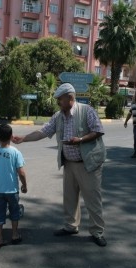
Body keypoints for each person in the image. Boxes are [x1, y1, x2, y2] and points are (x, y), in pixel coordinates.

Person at [12, 83, 107, 247]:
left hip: (88, 163)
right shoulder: (59, 116)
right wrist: (23, 138)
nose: (58, 103)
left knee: (92, 199)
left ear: (70, 98)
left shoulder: (86, 110)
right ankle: (71, 226)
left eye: (60, 100)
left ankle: (97, 231)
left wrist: (81, 140)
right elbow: (43, 131)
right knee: (69, 198)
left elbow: (98, 130)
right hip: (69, 163)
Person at [0, 124, 27, 250]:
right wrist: (24, 185)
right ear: (11, 136)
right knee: (14, 212)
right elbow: (21, 172)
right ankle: (14, 235)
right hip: (12, 190)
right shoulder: (15, 152)